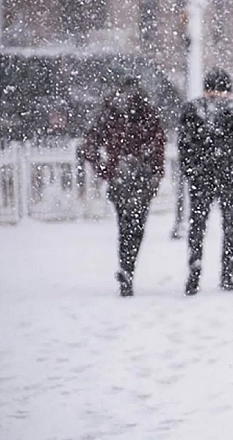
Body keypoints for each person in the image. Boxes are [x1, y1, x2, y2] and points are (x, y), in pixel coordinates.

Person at [78, 77, 166, 297]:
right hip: (142, 175)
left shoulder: (109, 112)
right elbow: (158, 145)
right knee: (137, 226)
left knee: (124, 225)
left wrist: (105, 168)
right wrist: (156, 172)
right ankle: (129, 267)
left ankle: (126, 267)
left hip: (120, 175)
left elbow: (89, 144)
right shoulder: (147, 112)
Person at [178, 67, 233, 296]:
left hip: (201, 177)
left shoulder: (192, 109)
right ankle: (227, 275)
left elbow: (184, 145)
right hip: (229, 177)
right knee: (230, 226)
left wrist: (191, 171)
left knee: (197, 225)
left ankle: (194, 272)